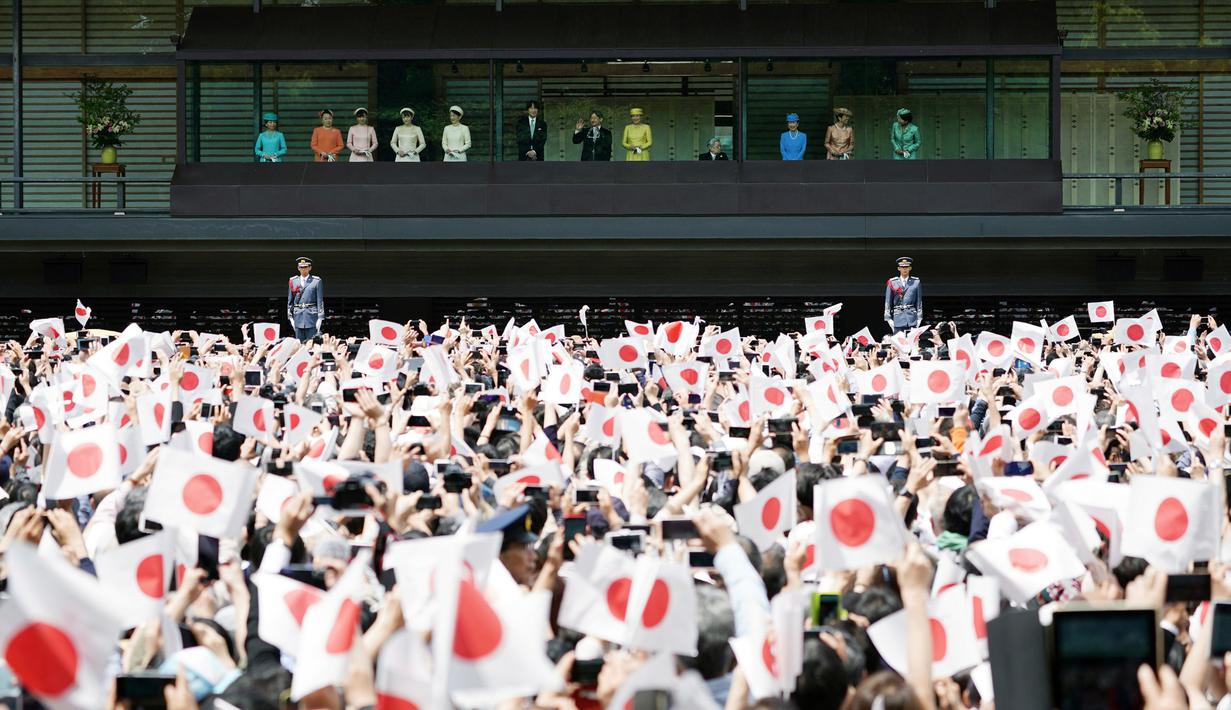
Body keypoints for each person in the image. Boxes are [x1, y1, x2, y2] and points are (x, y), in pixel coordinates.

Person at [286, 256, 324, 341]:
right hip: (298, 316)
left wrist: (320, 318)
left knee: (312, 343)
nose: (303, 269)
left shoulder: (316, 281)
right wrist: (290, 317)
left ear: (310, 268)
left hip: (311, 315)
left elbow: (320, 301)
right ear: (298, 268)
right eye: (301, 267)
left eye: (305, 267)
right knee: (299, 344)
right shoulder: (293, 281)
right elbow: (290, 301)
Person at [883, 256, 922, 333]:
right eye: (902, 267)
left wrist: (919, 318)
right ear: (899, 268)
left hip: (911, 318)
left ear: (910, 268)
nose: (904, 269)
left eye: (906, 267)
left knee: (911, 343)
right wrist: (888, 318)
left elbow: (919, 302)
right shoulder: (892, 282)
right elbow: (888, 301)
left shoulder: (916, 282)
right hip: (898, 318)